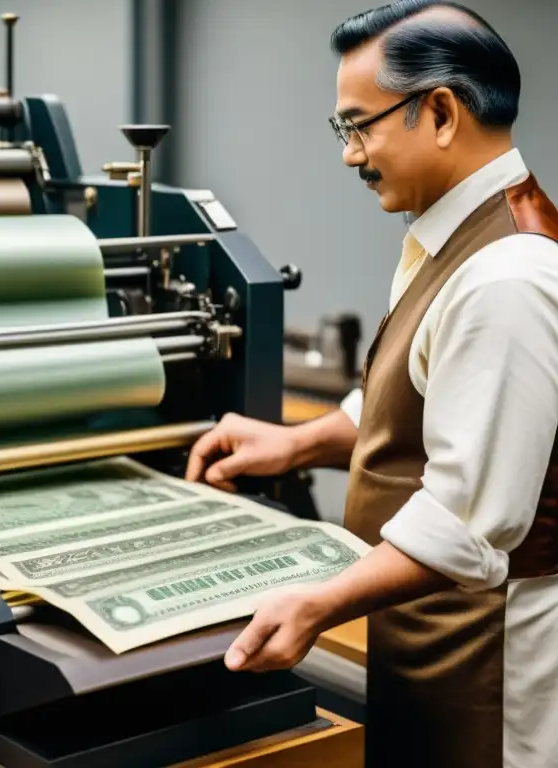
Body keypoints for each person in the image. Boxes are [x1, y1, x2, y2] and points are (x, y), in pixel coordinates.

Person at [185, 2, 558, 767]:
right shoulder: (453, 234)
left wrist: (317, 602)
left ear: (442, 112)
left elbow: (467, 522)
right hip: (430, 630)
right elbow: (420, 399)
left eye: (359, 126)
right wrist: (295, 444)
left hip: (490, 656)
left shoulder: (507, 276)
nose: (351, 155)